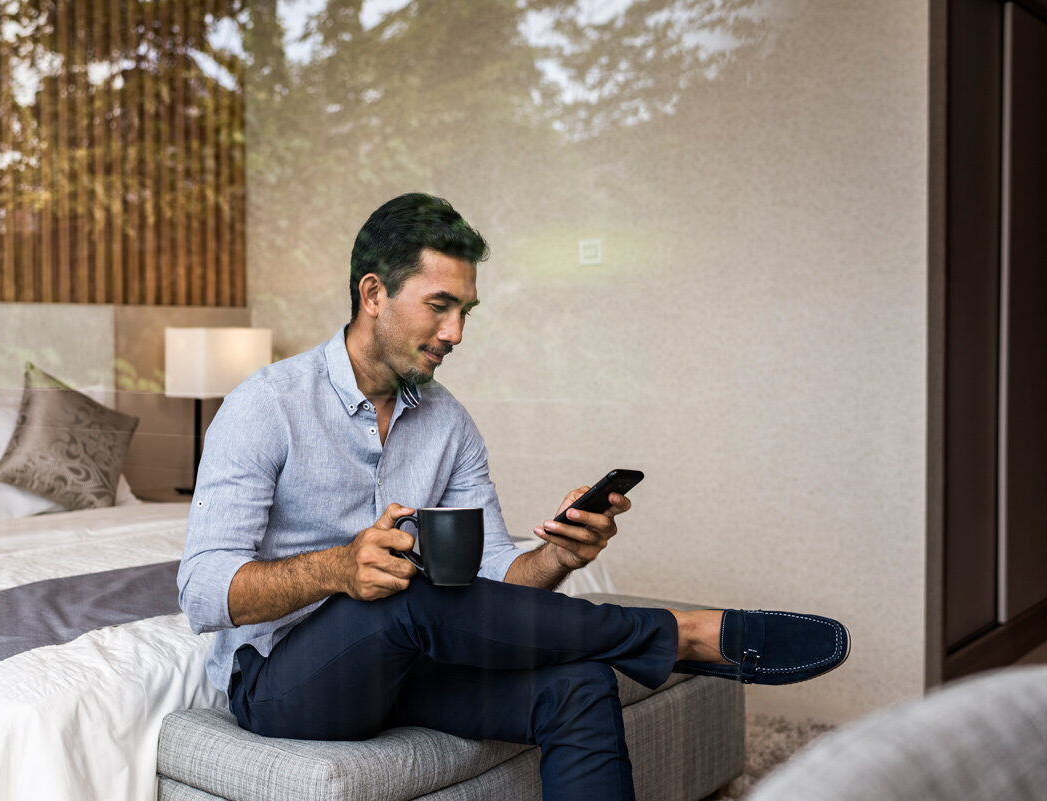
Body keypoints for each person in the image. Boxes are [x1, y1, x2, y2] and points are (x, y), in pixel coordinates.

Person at [178, 193, 849, 801]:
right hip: (286, 683)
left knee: (578, 682)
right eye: (439, 306)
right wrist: (338, 568)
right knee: (406, 589)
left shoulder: (449, 423)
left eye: (464, 312)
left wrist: (559, 556)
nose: (455, 334)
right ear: (374, 293)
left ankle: (667, 637)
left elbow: (500, 575)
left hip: (410, 667)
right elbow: (203, 591)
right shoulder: (264, 405)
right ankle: (684, 633)